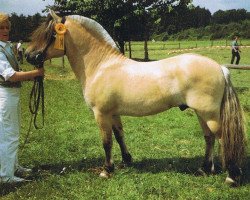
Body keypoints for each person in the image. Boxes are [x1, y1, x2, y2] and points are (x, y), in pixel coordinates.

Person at [0, 12, 44, 184]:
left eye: (6, 27)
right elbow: (9, 76)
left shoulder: (6, 46)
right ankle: (6, 176)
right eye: (1, 28)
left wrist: (34, 76)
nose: (5, 30)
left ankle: (13, 166)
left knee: (12, 132)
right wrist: (36, 73)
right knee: (9, 135)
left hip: (12, 95)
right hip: (5, 95)